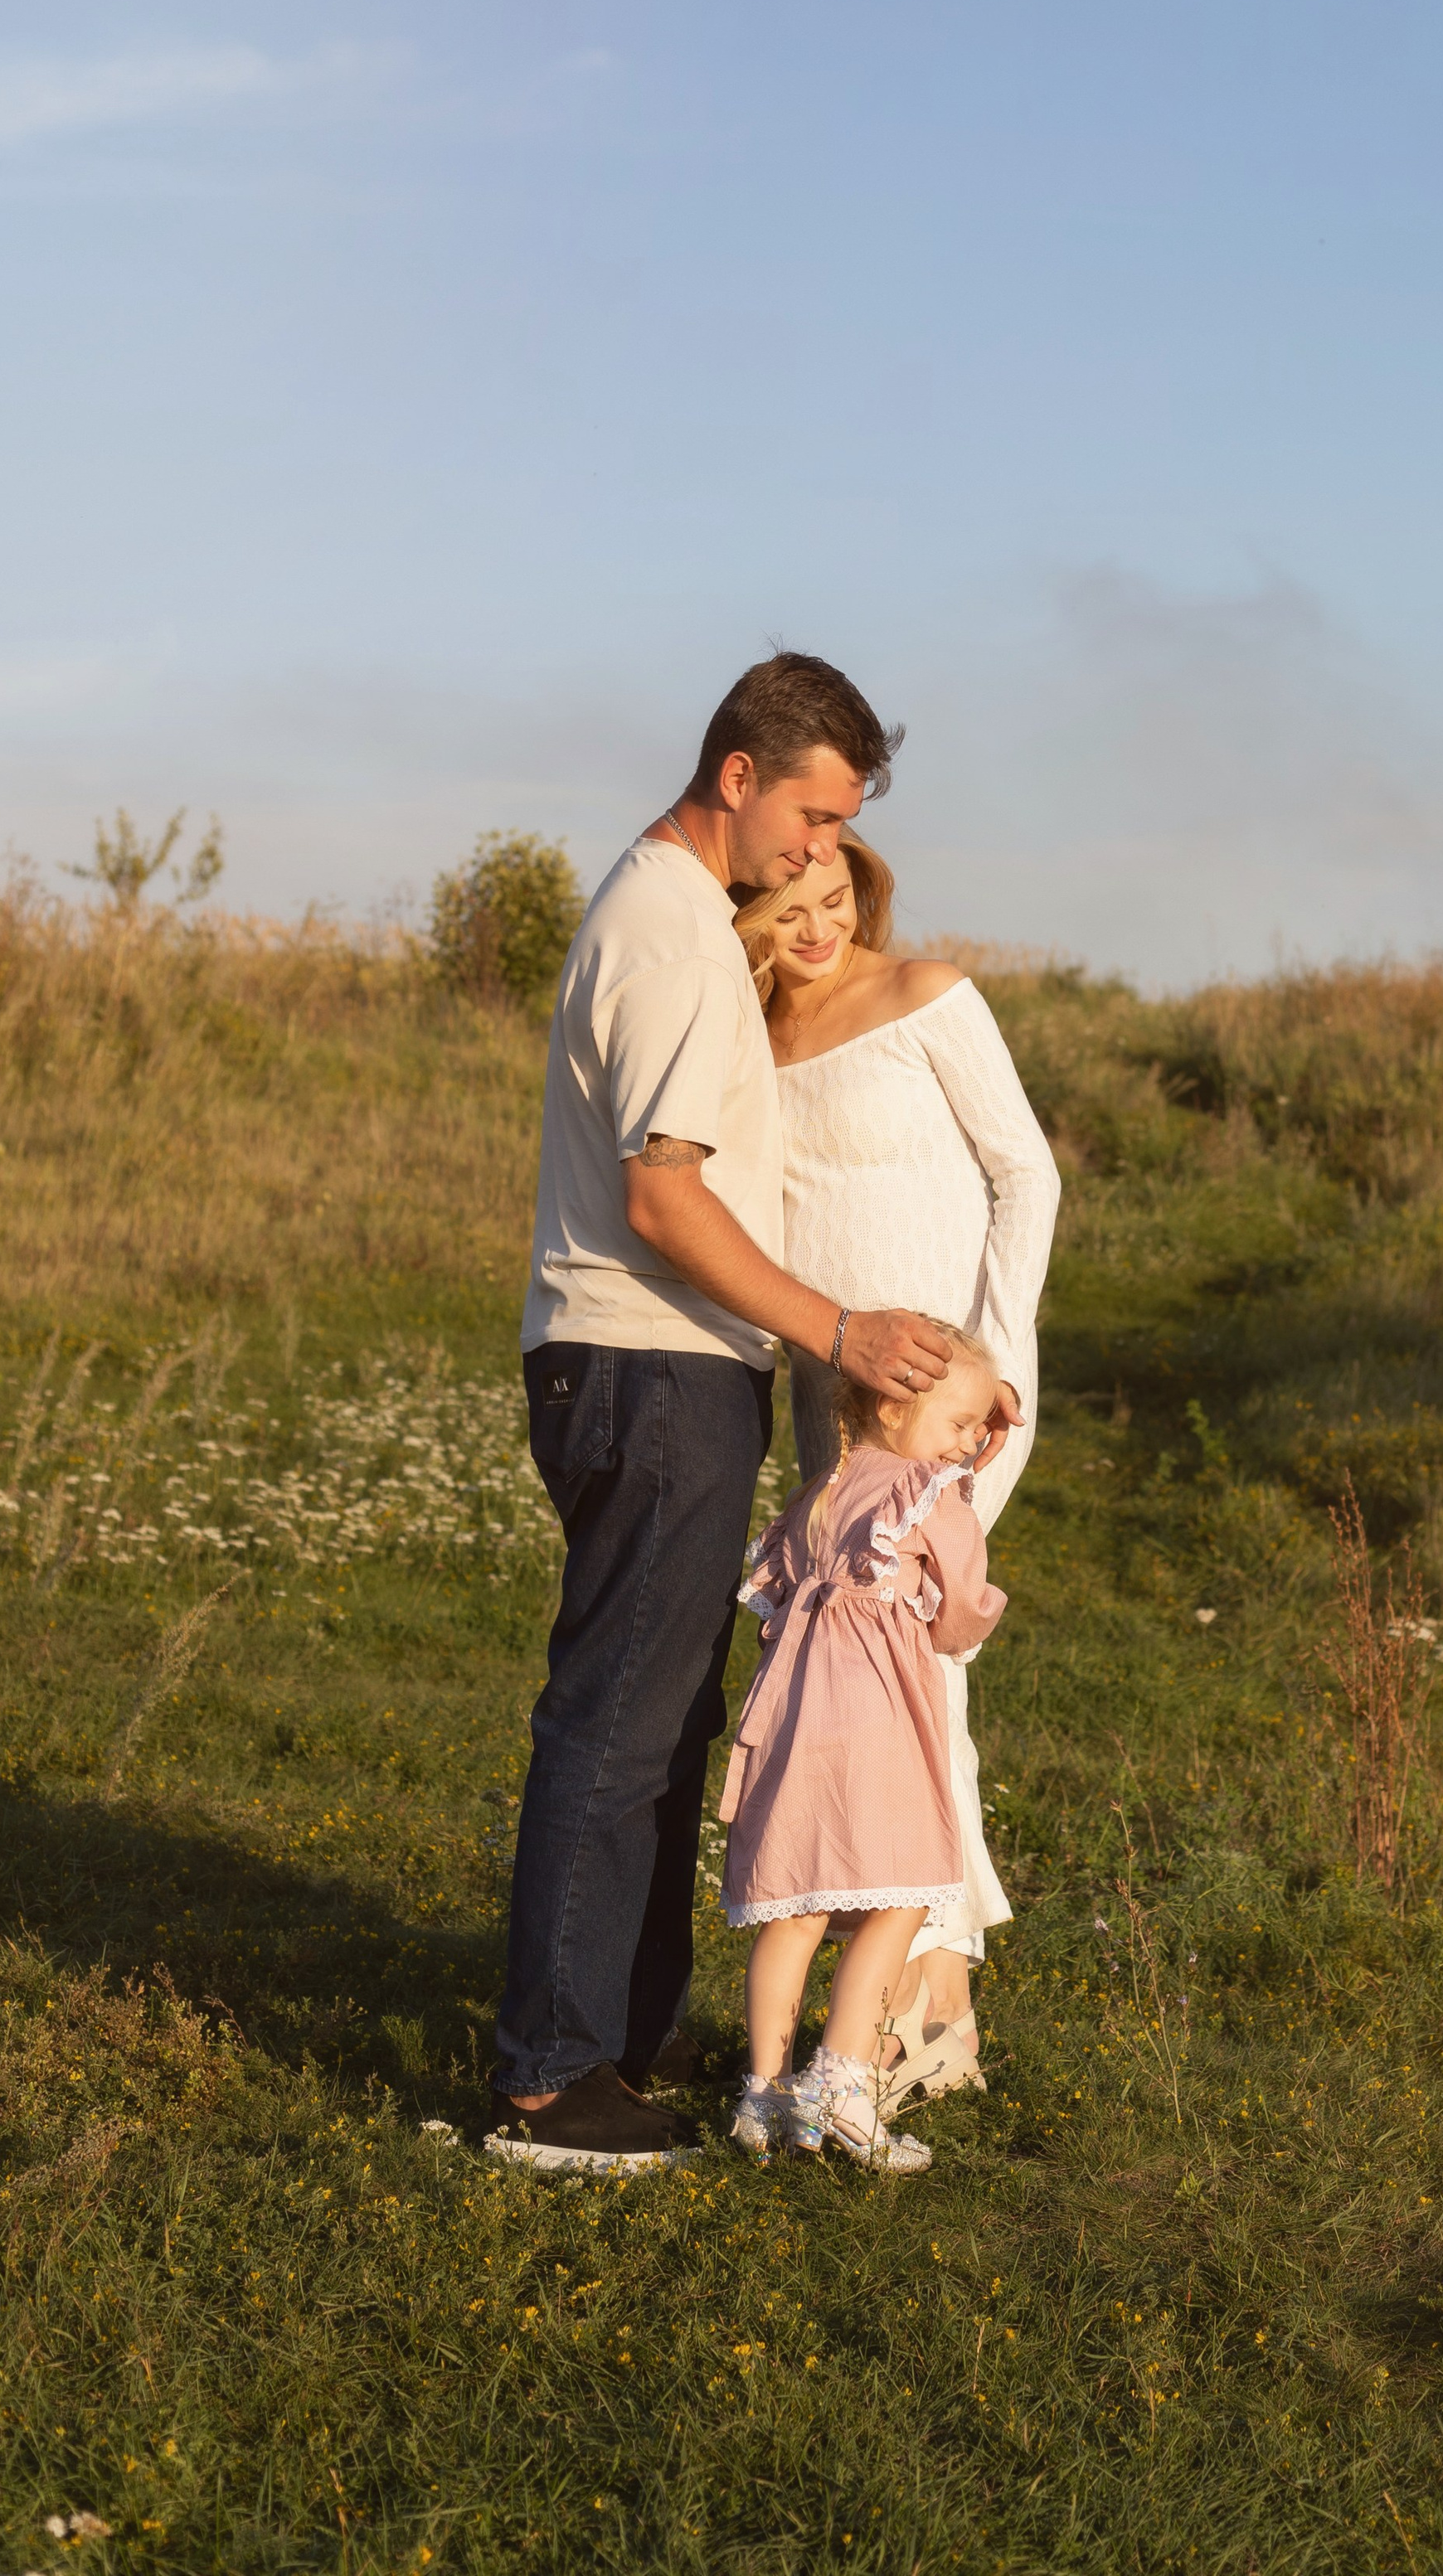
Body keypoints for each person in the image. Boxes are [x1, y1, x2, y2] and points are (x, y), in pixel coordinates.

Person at [488, 652, 1019, 2174]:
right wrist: (842, 1331)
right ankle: (553, 2077)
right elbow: (665, 1200)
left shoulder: (691, 931)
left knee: (664, 1716)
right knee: (619, 1719)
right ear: (739, 777)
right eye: (811, 813)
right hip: (648, 1360)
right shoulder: (665, 934)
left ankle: (610, 2047)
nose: (819, 850)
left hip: (672, 1368)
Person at [732, 832, 1059, 2102]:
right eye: (783, 906)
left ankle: (924, 2002)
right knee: (848, 1678)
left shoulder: (928, 996)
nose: (815, 929)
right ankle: (891, 2005)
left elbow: (1025, 1174)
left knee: (924, 1666)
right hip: (837, 1402)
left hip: (955, 1405)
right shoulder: (743, 1040)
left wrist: (991, 1368)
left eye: (833, 902)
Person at [719, 1327, 1008, 2172]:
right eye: (960, 1424)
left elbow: (772, 1602)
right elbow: (962, 1610)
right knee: (904, 1892)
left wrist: (967, 1423)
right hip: (877, 1718)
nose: (967, 1444)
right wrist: (948, 1626)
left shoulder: (823, 1491)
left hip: (796, 1717)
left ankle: (765, 2092)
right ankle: (843, 2082)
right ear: (894, 1403)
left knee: (796, 1907)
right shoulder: (930, 1496)